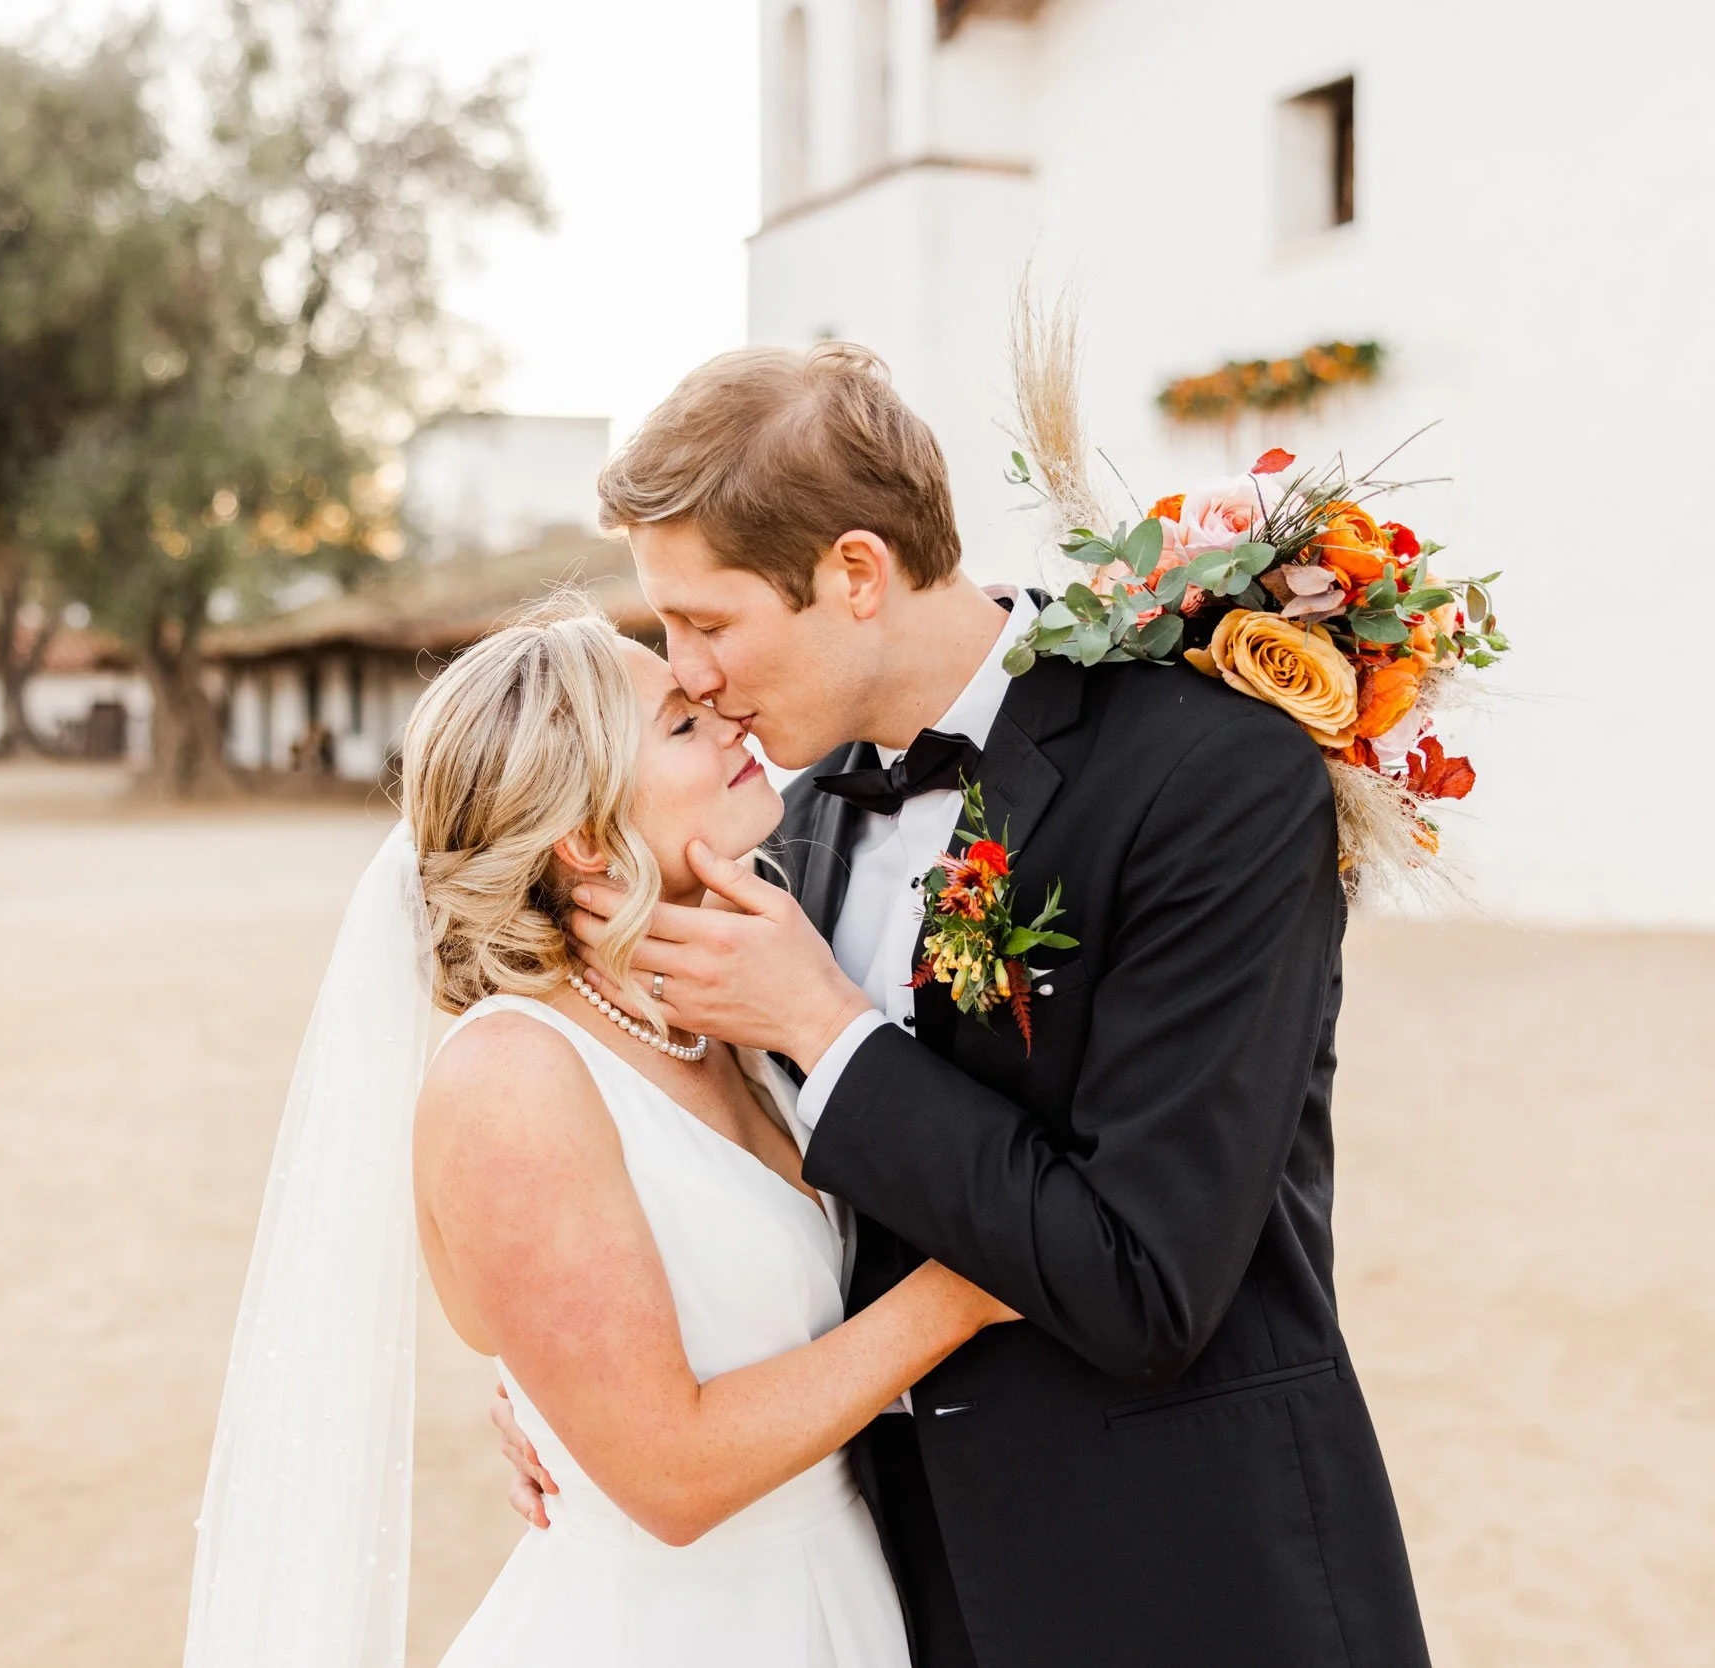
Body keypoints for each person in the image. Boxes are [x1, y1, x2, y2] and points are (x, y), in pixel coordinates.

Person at [492, 344, 1432, 1668]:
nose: (689, 673)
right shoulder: (790, 830)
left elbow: (1148, 1281)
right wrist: (586, 1364)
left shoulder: (1210, 776)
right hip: (912, 1600)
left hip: (1196, 1586)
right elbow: (716, 1170)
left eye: (710, 623)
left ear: (857, 575)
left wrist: (828, 1027)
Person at [182, 602, 1013, 1668]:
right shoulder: (511, 1078)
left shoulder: (726, 1002)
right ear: (580, 833)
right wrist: (973, 1287)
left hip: (842, 1593)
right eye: (678, 723)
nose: (726, 719)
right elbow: (671, 1477)